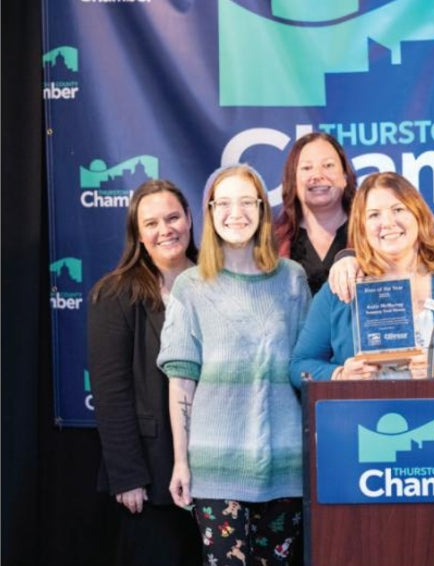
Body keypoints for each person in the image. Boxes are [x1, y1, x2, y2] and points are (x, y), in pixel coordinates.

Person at [158, 164, 311, 566]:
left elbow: (306, 369)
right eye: (223, 203)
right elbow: (181, 383)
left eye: (247, 201)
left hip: (285, 468)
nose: (235, 212)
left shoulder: (292, 280)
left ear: (263, 209)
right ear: (209, 212)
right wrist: (180, 461)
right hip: (217, 469)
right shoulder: (191, 286)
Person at [88, 179, 201, 566]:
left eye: (173, 217)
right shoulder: (116, 294)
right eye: (151, 223)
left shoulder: (216, 281)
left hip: (217, 465)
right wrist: (128, 476)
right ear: (138, 233)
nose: (165, 229)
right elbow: (110, 393)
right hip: (150, 476)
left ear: (189, 219)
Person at [290, 171, 434, 383]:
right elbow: (300, 366)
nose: (387, 223)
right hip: (361, 416)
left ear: (418, 215)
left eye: (398, 209)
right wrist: (341, 375)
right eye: (374, 215)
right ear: (362, 227)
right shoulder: (342, 288)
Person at [275, 131, 357, 294]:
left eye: (328, 165)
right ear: (293, 180)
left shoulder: (371, 235)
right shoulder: (273, 242)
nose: (317, 175)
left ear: (345, 176)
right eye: (306, 168)